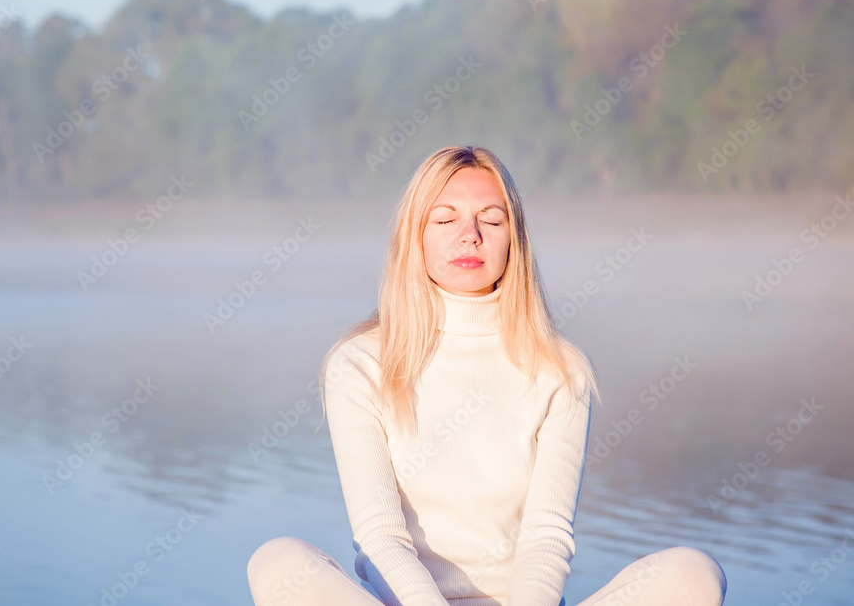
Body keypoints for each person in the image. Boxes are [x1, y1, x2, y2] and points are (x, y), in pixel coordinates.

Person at [246, 145, 727, 606]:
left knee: (693, 573)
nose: (470, 235)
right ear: (414, 235)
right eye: (445, 219)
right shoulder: (359, 363)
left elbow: (547, 537)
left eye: (491, 220)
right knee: (278, 563)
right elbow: (380, 537)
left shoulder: (562, 369)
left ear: (513, 239)